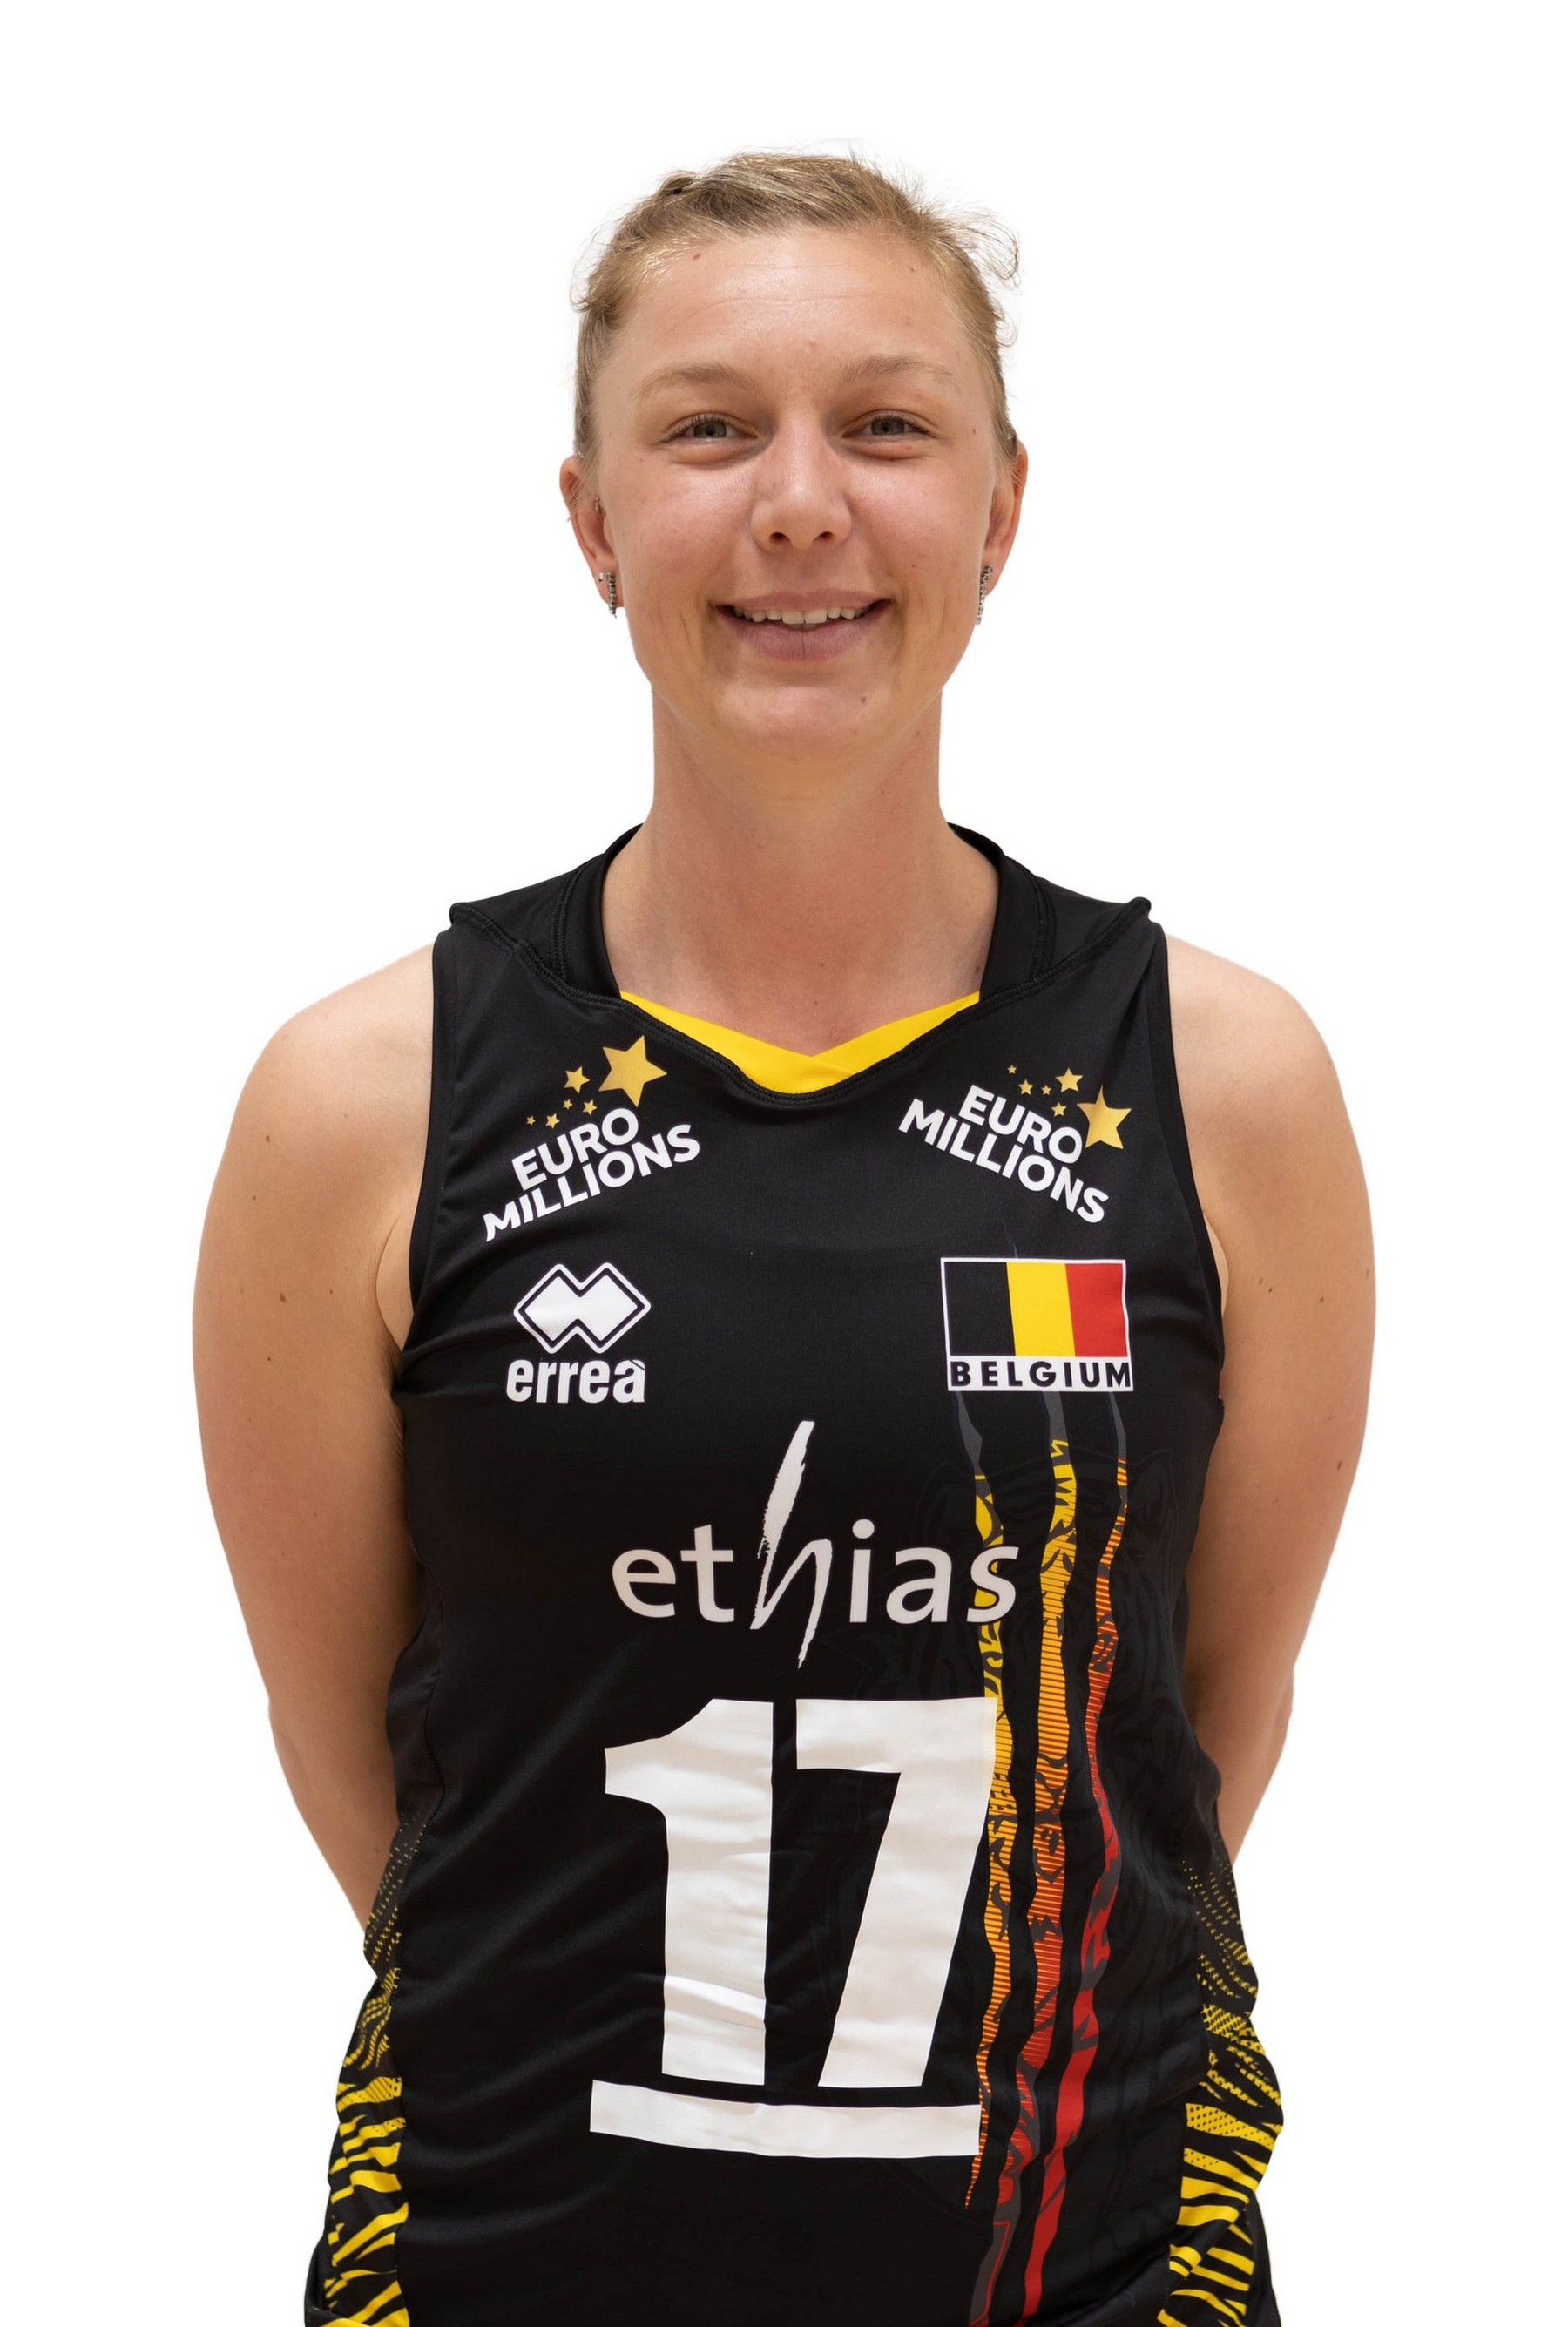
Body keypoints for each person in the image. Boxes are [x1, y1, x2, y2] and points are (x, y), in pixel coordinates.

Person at [194, 152, 1372, 2327]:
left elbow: (1204, 1715)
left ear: (1002, 510)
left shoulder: (1226, 1084)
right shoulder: (363, 1102)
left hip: (1092, 2265)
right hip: (503, 2258)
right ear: (592, 519)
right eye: (712, 427)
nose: (802, 504)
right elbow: (358, 1739)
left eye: (888, 425)